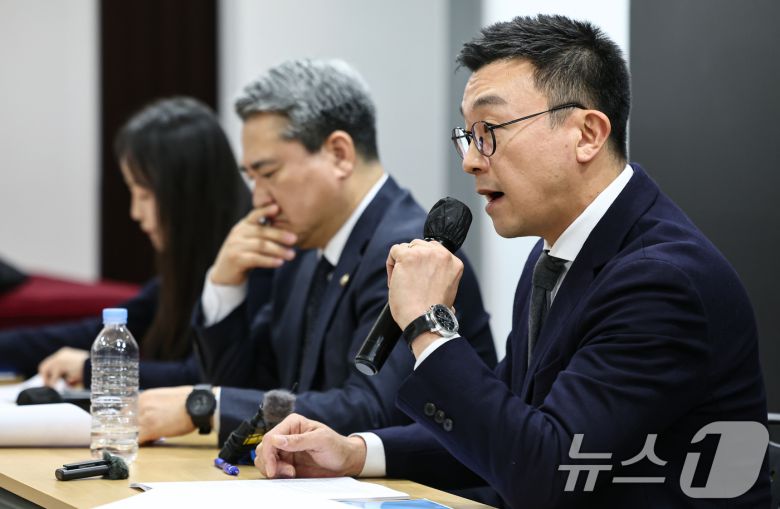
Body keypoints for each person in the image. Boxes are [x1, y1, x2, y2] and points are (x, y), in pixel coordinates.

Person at [253, 15, 770, 508]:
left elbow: (546, 471)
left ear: (587, 134)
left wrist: (430, 326)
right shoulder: (554, 256)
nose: (470, 160)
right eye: (468, 136)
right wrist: (357, 452)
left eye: (490, 131)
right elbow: (504, 427)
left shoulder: (661, 280)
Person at [137, 59, 496, 446]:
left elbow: (373, 410)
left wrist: (209, 405)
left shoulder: (407, 252)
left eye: (268, 174)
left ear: (339, 154)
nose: (258, 199)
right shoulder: (306, 251)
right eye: (251, 178)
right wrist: (224, 285)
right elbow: (253, 386)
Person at [0, 97, 251, 389]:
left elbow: (204, 380)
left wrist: (94, 368)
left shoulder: (250, 262)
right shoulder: (190, 263)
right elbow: (99, 331)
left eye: (144, 195)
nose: (135, 212)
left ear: (188, 194)